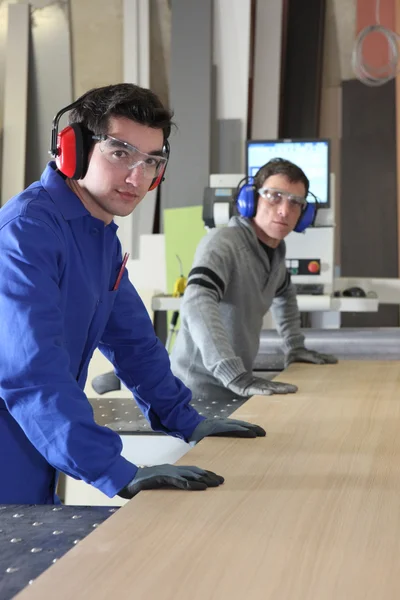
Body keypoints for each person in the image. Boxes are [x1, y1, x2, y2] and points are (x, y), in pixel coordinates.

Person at [0, 83, 266, 505]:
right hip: (12, 432)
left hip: (38, 432)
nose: (136, 177)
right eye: (120, 153)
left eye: (151, 162)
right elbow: (33, 373)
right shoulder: (26, 232)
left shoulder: (99, 236)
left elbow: (133, 342)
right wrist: (115, 470)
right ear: (75, 148)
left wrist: (186, 419)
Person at [169, 158, 338, 403]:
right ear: (251, 199)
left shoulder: (275, 252)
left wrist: (295, 346)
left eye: (295, 202)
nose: (284, 210)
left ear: (304, 214)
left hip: (236, 386)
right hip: (196, 391)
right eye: (274, 196)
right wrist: (231, 372)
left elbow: (285, 295)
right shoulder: (223, 242)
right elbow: (197, 302)